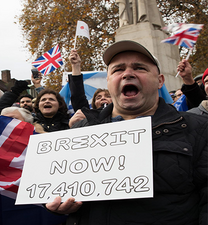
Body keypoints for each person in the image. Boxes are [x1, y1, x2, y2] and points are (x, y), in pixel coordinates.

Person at [46, 40, 207, 224]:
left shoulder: (198, 129)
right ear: (108, 81)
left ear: (160, 81)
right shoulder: (81, 131)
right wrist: (54, 201)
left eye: (139, 68)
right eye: (118, 69)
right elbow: (54, 185)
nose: (128, 74)